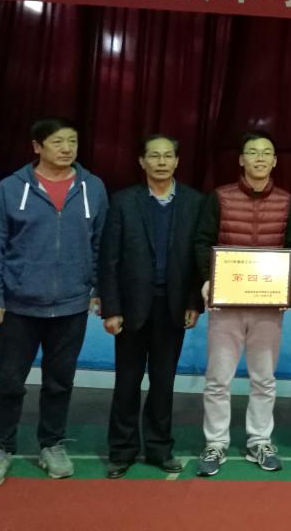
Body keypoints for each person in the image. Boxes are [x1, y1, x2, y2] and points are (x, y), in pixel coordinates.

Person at [0, 117, 108, 488]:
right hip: (18, 307)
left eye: (72, 141)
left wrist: (99, 289)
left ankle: (52, 444)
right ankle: (0, 448)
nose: (66, 149)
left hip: (71, 306)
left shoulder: (93, 188)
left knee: (59, 382)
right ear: (37, 146)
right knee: (10, 383)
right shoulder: (10, 188)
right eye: (57, 142)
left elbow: (101, 244)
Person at [98, 134, 205, 479]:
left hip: (172, 307)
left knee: (163, 383)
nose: (161, 162)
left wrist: (194, 302)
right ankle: (122, 451)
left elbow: (197, 259)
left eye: (167, 156)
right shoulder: (123, 201)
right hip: (130, 308)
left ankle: (160, 448)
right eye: (154, 156)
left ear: (177, 161)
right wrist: (111, 308)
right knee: (126, 383)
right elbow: (109, 259)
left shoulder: (194, 202)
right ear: (142, 162)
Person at [193, 130, 291, 476]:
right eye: (252, 152)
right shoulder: (220, 197)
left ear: (275, 161)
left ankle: (259, 440)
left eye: (266, 152)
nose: (259, 158)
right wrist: (208, 279)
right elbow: (202, 241)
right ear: (241, 159)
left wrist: (287, 282)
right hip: (226, 303)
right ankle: (215, 443)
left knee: (264, 379)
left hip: (267, 305)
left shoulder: (286, 200)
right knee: (218, 379)